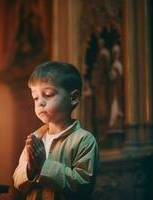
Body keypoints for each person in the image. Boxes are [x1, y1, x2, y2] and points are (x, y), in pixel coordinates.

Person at [13, 61, 99, 200]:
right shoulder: (35, 138)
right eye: (35, 97)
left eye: (48, 94)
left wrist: (44, 165)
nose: (40, 102)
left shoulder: (84, 140)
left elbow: (83, 185)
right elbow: (18, 181)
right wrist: (30, 169)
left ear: (73, 98)